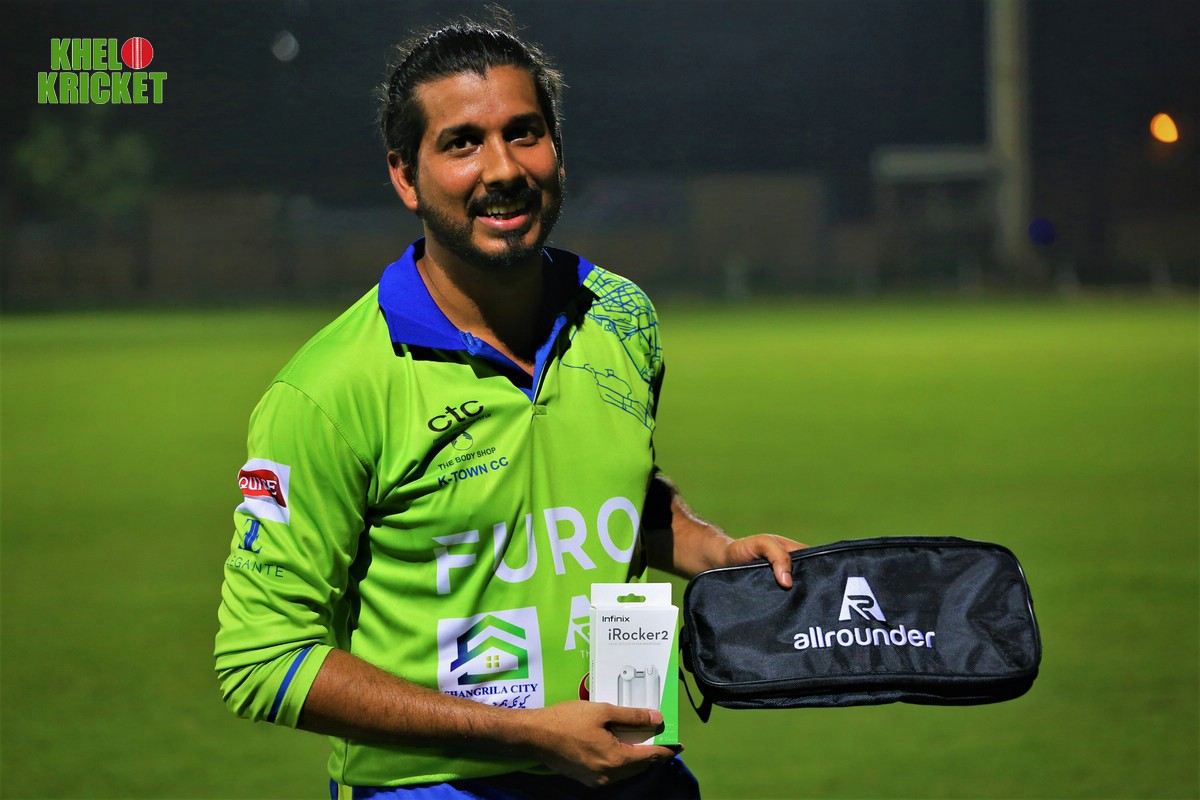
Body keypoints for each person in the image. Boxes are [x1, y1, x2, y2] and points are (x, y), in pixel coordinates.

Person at [215, 13, 802, 799]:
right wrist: (525, 734)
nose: (503, 169)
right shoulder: (327, 390)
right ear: (405, 176)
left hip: (635, 774)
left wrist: (717, 552)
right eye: (461, 143)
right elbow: (262, 660)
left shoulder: (620, 314)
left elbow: (606, 491)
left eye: (524, 133)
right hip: (436, 789)